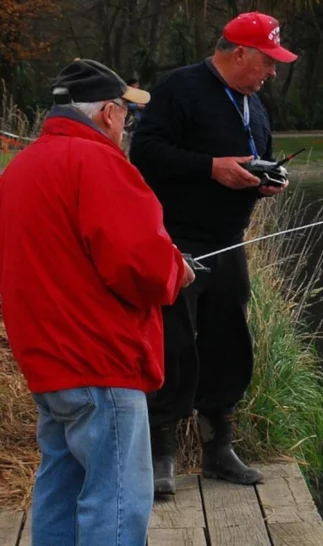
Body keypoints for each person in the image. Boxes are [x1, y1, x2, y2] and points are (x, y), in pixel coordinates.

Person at [0, 58, 194, 545]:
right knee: (117, 497)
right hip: (100, 362)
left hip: (48, 364)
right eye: (126, 112)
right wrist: (176, 270)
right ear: (108, 112)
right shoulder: (102, 164)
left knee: (60, 489)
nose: (127, 123)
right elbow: (141, 267)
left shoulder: (20, 168)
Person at [129, 11, 297, 495]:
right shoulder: (179, 88)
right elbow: (145, 154)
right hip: (177, 239)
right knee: (174, 341)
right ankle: (160, 453)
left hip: (231, 239)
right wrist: (211, 168)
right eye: (267, 62)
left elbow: (251, 155)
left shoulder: (255, 106)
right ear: (239, 52)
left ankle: (218, 447)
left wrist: (265, 181)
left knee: (228, 341)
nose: (272, 73)